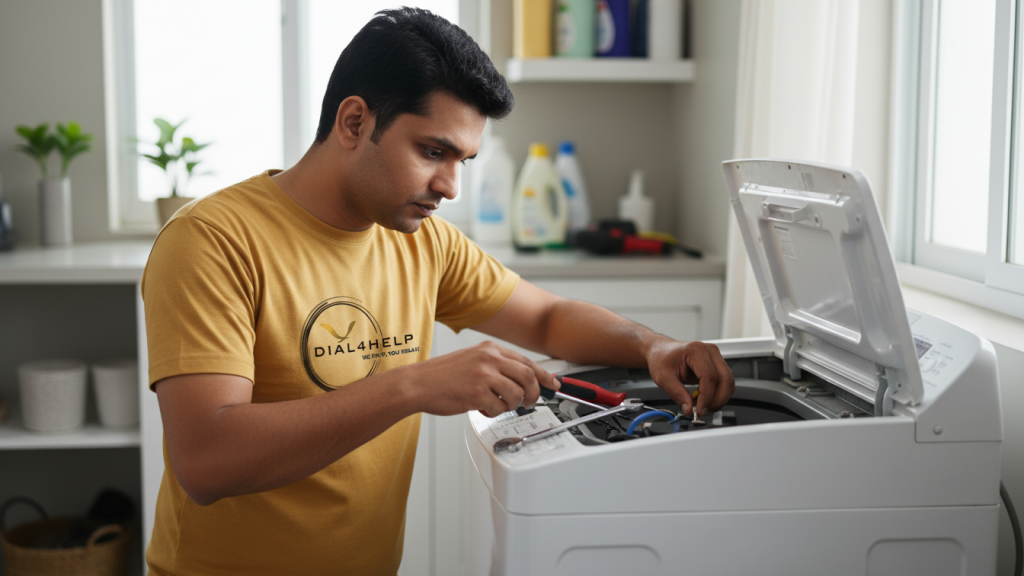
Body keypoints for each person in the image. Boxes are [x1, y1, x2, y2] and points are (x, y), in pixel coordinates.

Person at [141, 7, 735, 576]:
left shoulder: (423, 241)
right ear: (354, 122)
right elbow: (206, 461)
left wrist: (652, 344)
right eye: (432, 152)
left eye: (464, 161)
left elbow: (548, 319)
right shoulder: (211, 241)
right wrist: (413, 385)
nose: (450, 186)